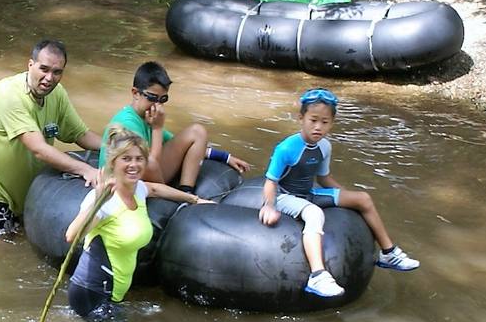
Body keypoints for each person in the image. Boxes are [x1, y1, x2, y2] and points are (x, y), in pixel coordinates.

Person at [257, 87, 421, 298]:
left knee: (363, 198)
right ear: (301, 118)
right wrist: (269, 206)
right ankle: (318, 275)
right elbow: (271, 182)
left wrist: (346, 196)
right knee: (315, 214)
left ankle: (389, 253)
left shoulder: (325, 146)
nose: (318, 127)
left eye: (325, 122)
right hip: (285, 197)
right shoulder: (286, 148)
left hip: (309, 193)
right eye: (313, 120)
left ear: (331, 124)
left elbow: (324, 178)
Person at [63, 128, 215, 322]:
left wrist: (195, 200)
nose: (133, 164)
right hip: (91, 293)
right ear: (113, 162)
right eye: (126, 159)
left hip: (112, 293)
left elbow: (155, 188)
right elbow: (72, 235)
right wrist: (97, 201)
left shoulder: (139, 190)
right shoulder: (104, 200)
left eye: (139, 158)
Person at [0, 39, 104, 238]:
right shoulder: (9, 95)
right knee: (0, 245)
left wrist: (117, 150)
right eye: (43, 69)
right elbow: (39, 149)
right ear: (30, 65)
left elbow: (81, 134)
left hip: (24, 189)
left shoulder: (57, 94)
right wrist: (86, 170)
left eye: (57, 72)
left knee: (21, 237)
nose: (49, 78)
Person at [101, 60, 246, 192]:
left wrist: (225, 157)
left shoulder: (147, 116)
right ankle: (177, 196)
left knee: (197, 132)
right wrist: (157, 128)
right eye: (152, 98)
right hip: (125, 178)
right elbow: (150, 164)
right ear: (135, 93)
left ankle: (186, 189)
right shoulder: (128, 123)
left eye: (163, 99)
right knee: (150, 163)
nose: (157, 105)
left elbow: (177, 142)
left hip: (146, 172)